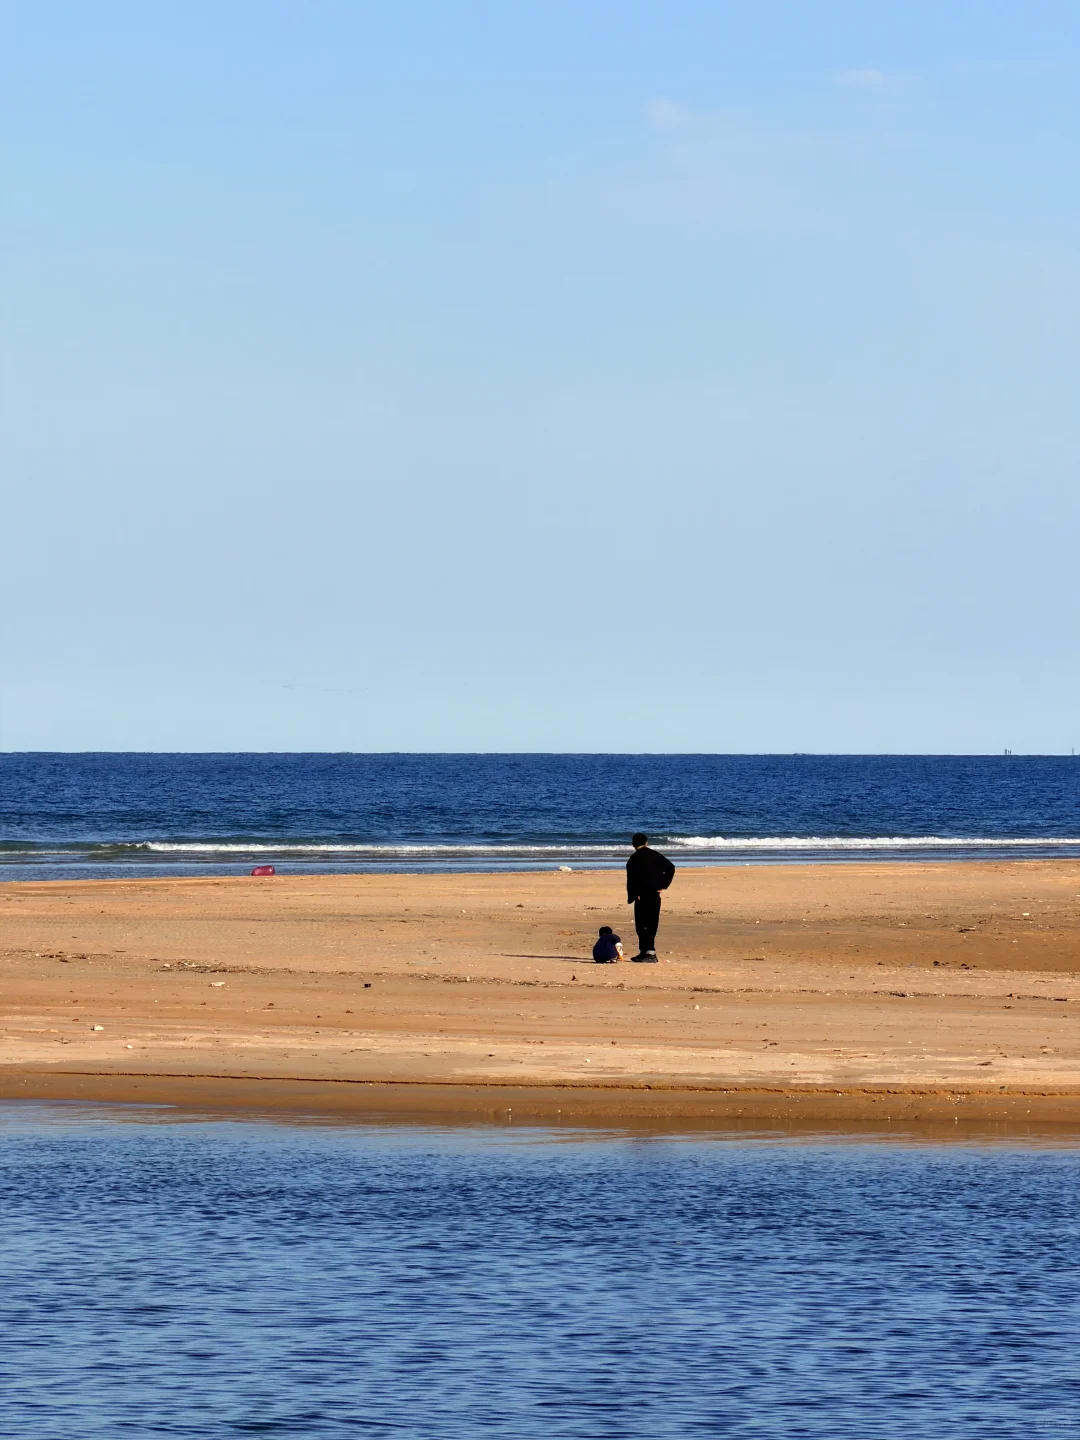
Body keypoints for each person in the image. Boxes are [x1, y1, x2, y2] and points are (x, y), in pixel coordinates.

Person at [626, 832, 675, 962]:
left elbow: (632, 879)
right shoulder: (655, 855)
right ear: (646, 843)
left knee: (642, 925)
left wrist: (633, 895)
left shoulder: (634, 858)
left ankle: (649, 952)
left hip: (641, 895)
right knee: (652, 923)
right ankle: (645, 952)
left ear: (633, 844)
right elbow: (670, 868)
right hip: (654, 894)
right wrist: (663, 885)